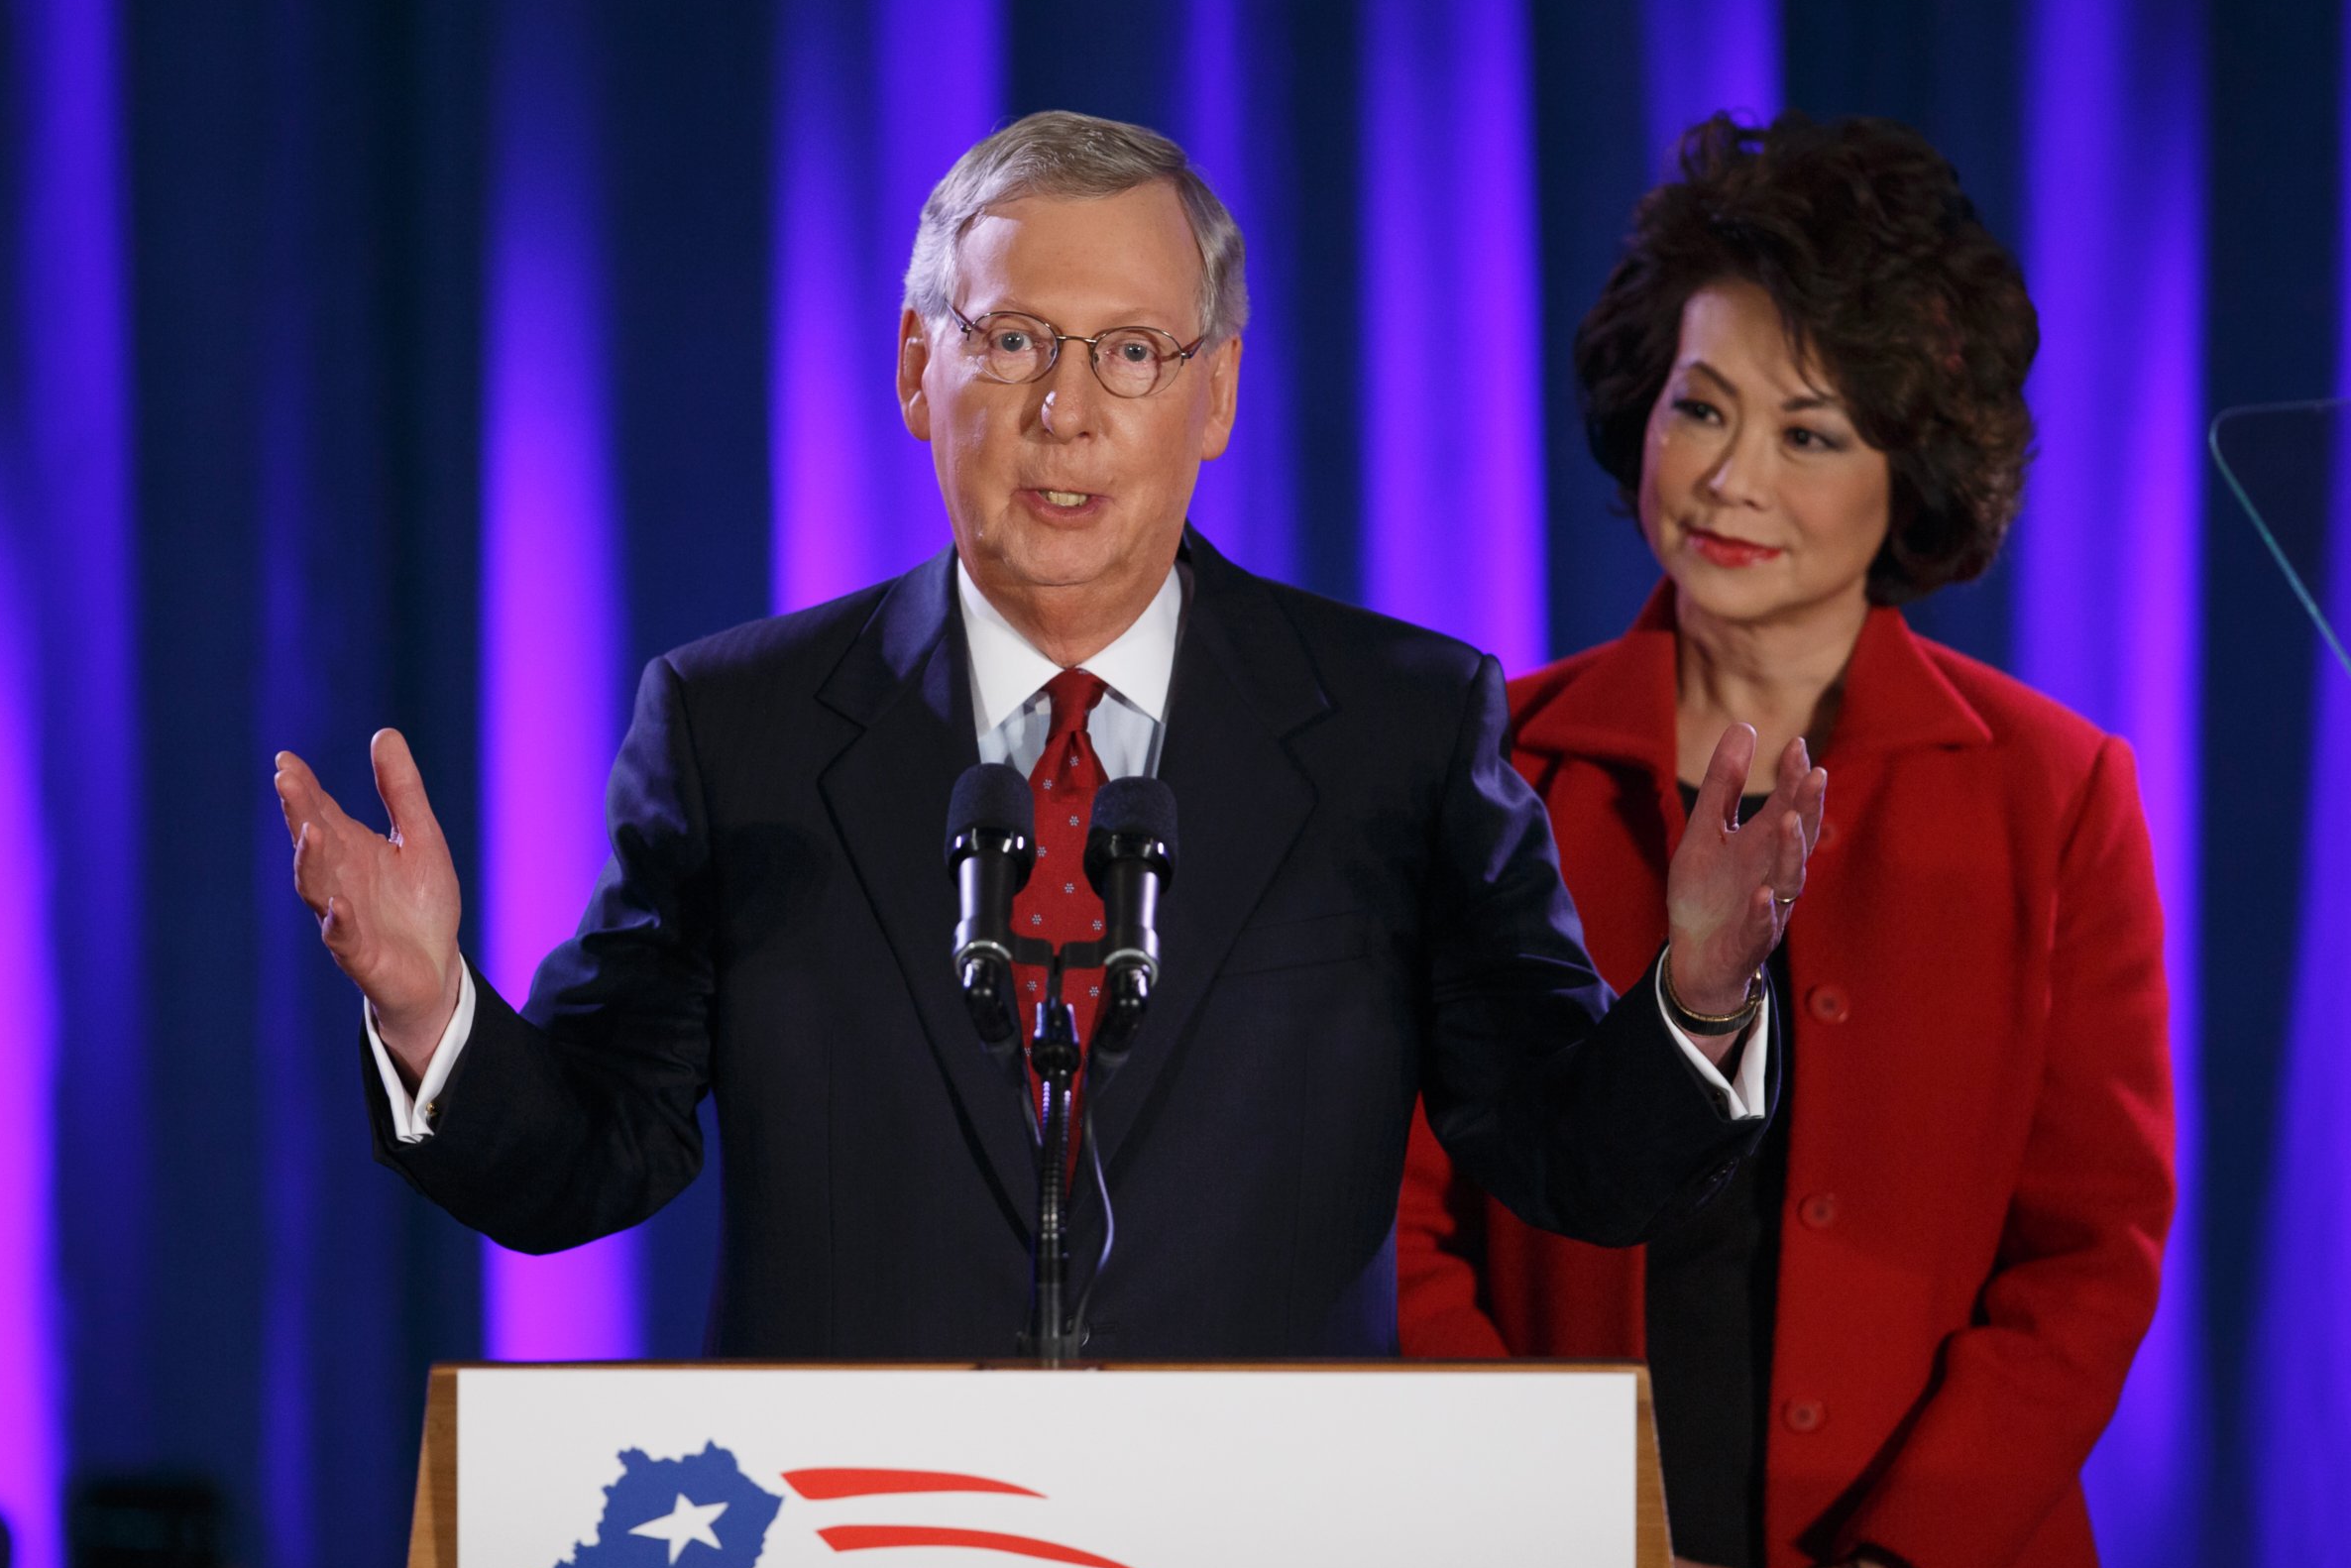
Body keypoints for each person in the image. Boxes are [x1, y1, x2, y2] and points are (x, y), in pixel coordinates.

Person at [275, 110, 1822, 1360]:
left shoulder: (1398, 729)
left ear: (1213, 395)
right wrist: (433, 1018)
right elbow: (594, 1155)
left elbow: (1563, 1155)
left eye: (1130, 353)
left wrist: (1692, 996)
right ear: (915, 370)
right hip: (861, 1560)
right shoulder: (733, 725)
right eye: (1012, 341)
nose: (1066, 412)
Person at [1399, 113, 2176, 1568]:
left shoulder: (2060, 795)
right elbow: (1400, 1227)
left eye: (1809, 432)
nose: (1729, 480)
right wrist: (1576, 1544)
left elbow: (2088, 1255)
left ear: (1914, 472)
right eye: (1701, 410)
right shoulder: (1482, 764)